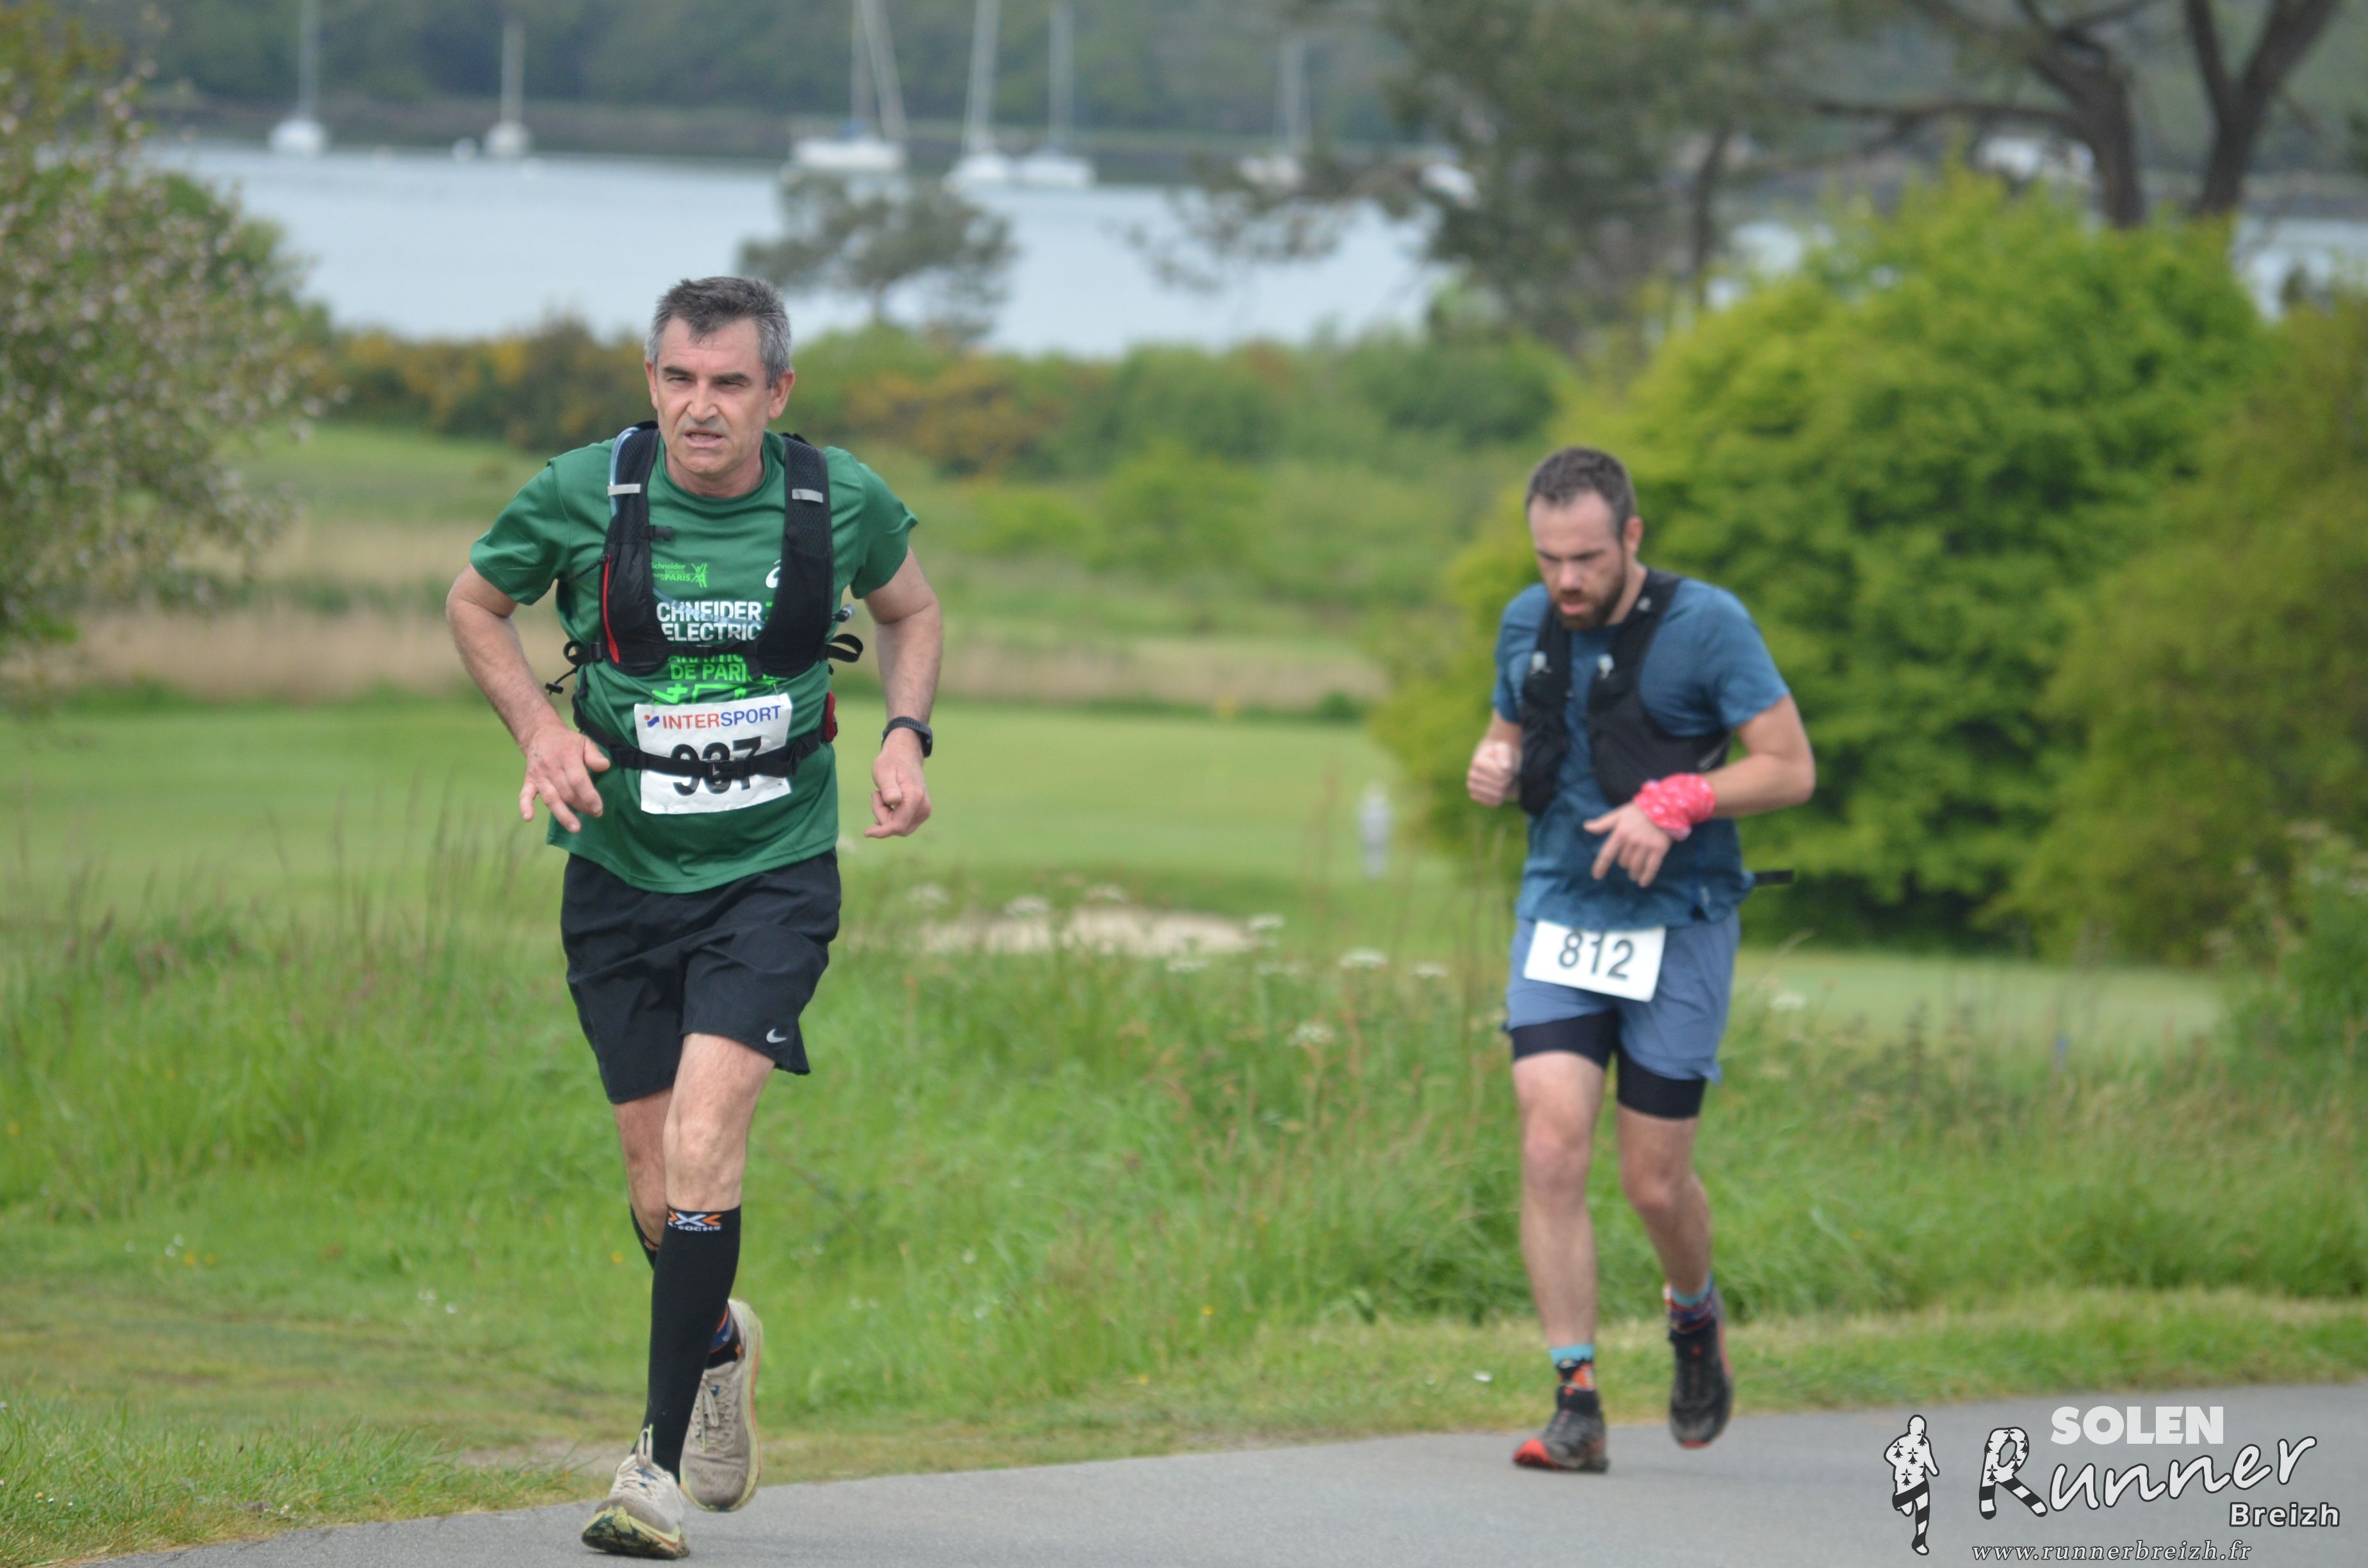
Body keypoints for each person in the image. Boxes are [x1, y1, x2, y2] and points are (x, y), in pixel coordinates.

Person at [447, 276, 942, 1559]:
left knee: (709, 1140)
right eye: (679, 379)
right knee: (660, 1192)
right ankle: (717, 1343)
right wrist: (540, 728)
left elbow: (912, 609)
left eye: (729, 383)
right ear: (652, 382)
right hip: (618, 875)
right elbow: (474, 603)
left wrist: (905, 735)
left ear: (778, 391)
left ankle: (652, 1471)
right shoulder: (583, 491)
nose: (701, 407)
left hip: (772, 873)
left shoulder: (837, 499)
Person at [1465, 446, 1814, 1474]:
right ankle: (1575, 1400)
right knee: (1550, 1144)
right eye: (1547, 559)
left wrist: (1679, 799)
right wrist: (1493, 760)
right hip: (1561, 913)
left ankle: (1693, 1315)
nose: (1566, 581)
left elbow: (1790, 769)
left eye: (1585, 558)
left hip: (1680, 923)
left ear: (1631, 536)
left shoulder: (1709, 624)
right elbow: (1506, 727)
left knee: (1655, 1186)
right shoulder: (1526, 623)